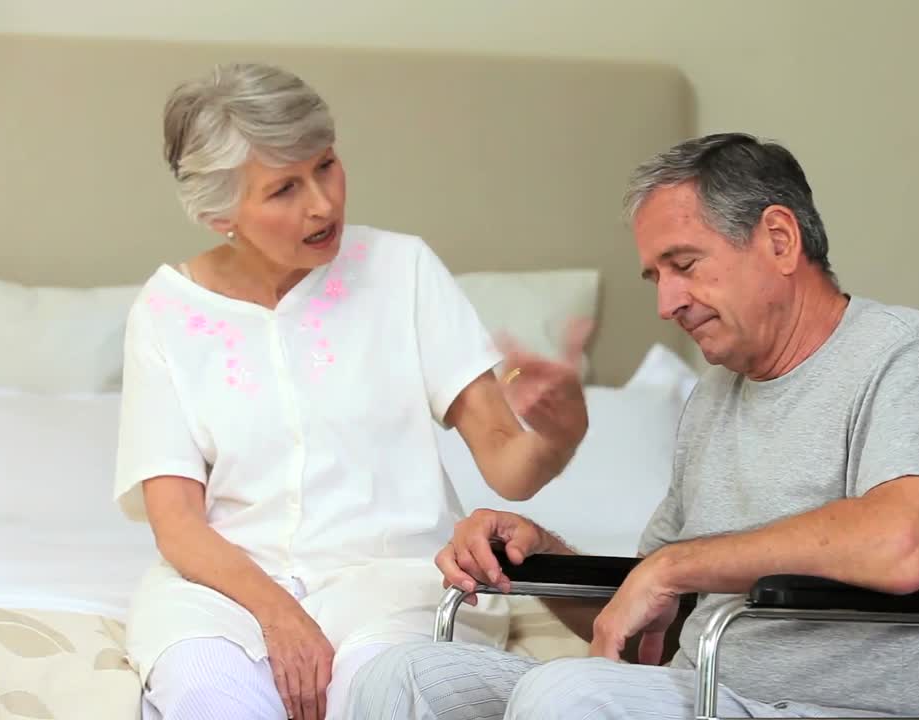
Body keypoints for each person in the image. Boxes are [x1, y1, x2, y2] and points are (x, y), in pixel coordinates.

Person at [346, 132, 919, 718]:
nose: (667, 303)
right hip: (708, 691)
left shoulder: (906, 354)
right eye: (656, 276)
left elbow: (902, 542)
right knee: (401, 675)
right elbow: (641, 618)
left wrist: (674, 568)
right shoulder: (715, 397)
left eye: (683, 266)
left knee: (569, 693)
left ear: (779, 239)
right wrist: (539, 550)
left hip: (843, 704)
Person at [112, 63, 591, 720]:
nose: (323, 203)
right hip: (226, 590)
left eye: (327, 165)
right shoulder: (166, 311)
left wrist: (560, 435)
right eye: (284, 189)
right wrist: (280, 617)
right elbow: (178, 524)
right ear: (220, 212)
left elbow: (508, 463)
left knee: (377, 691)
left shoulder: (402, 269)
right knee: (203, 691)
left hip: (395, 586)